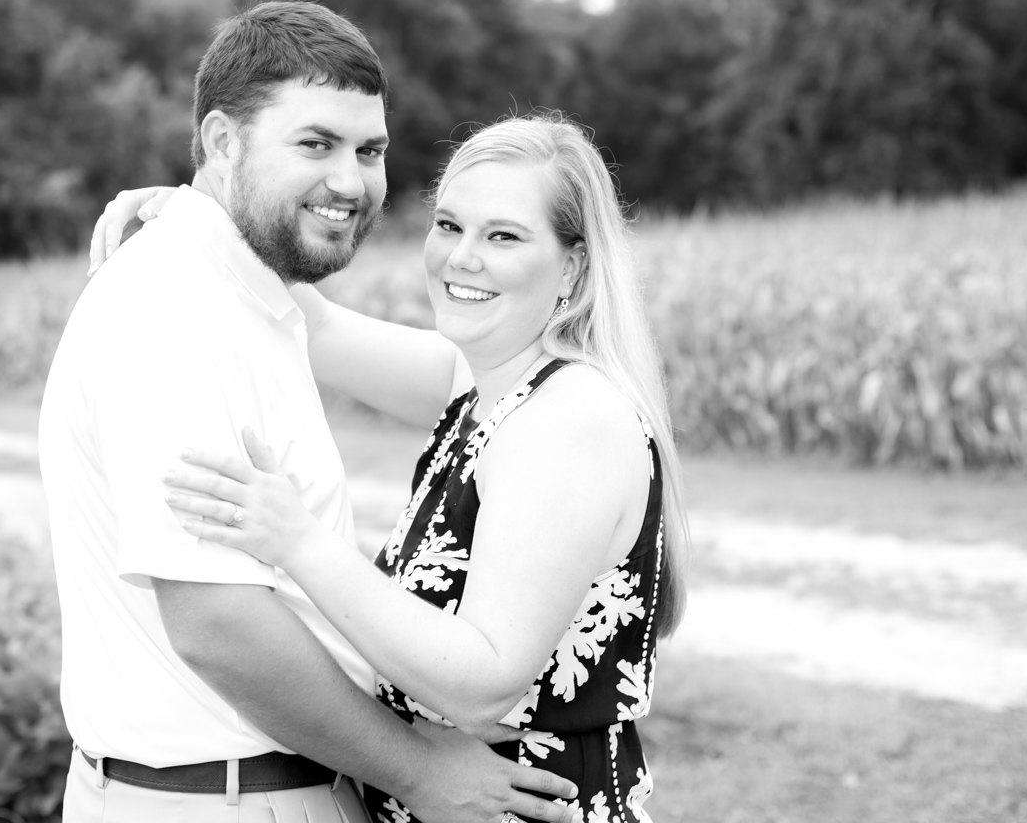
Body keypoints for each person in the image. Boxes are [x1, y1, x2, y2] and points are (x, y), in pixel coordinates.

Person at [38, 1, 579, 823]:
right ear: (223, 142)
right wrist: (416, 772)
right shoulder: (176, 310)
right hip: (229, 802)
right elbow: (216, 621)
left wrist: (206, 206)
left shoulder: (247, 293)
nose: (352, 182)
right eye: (315, 144)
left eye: (370, 150)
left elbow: (464, 375)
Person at [98, 113, 688, 823]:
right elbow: (317, 327)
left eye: (503, 236)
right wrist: (210, 212)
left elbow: (482, 681)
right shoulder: (486, 383)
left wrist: (298, 540)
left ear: (573, 265)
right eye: (449, 226)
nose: (461, 258)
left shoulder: (571, 419)